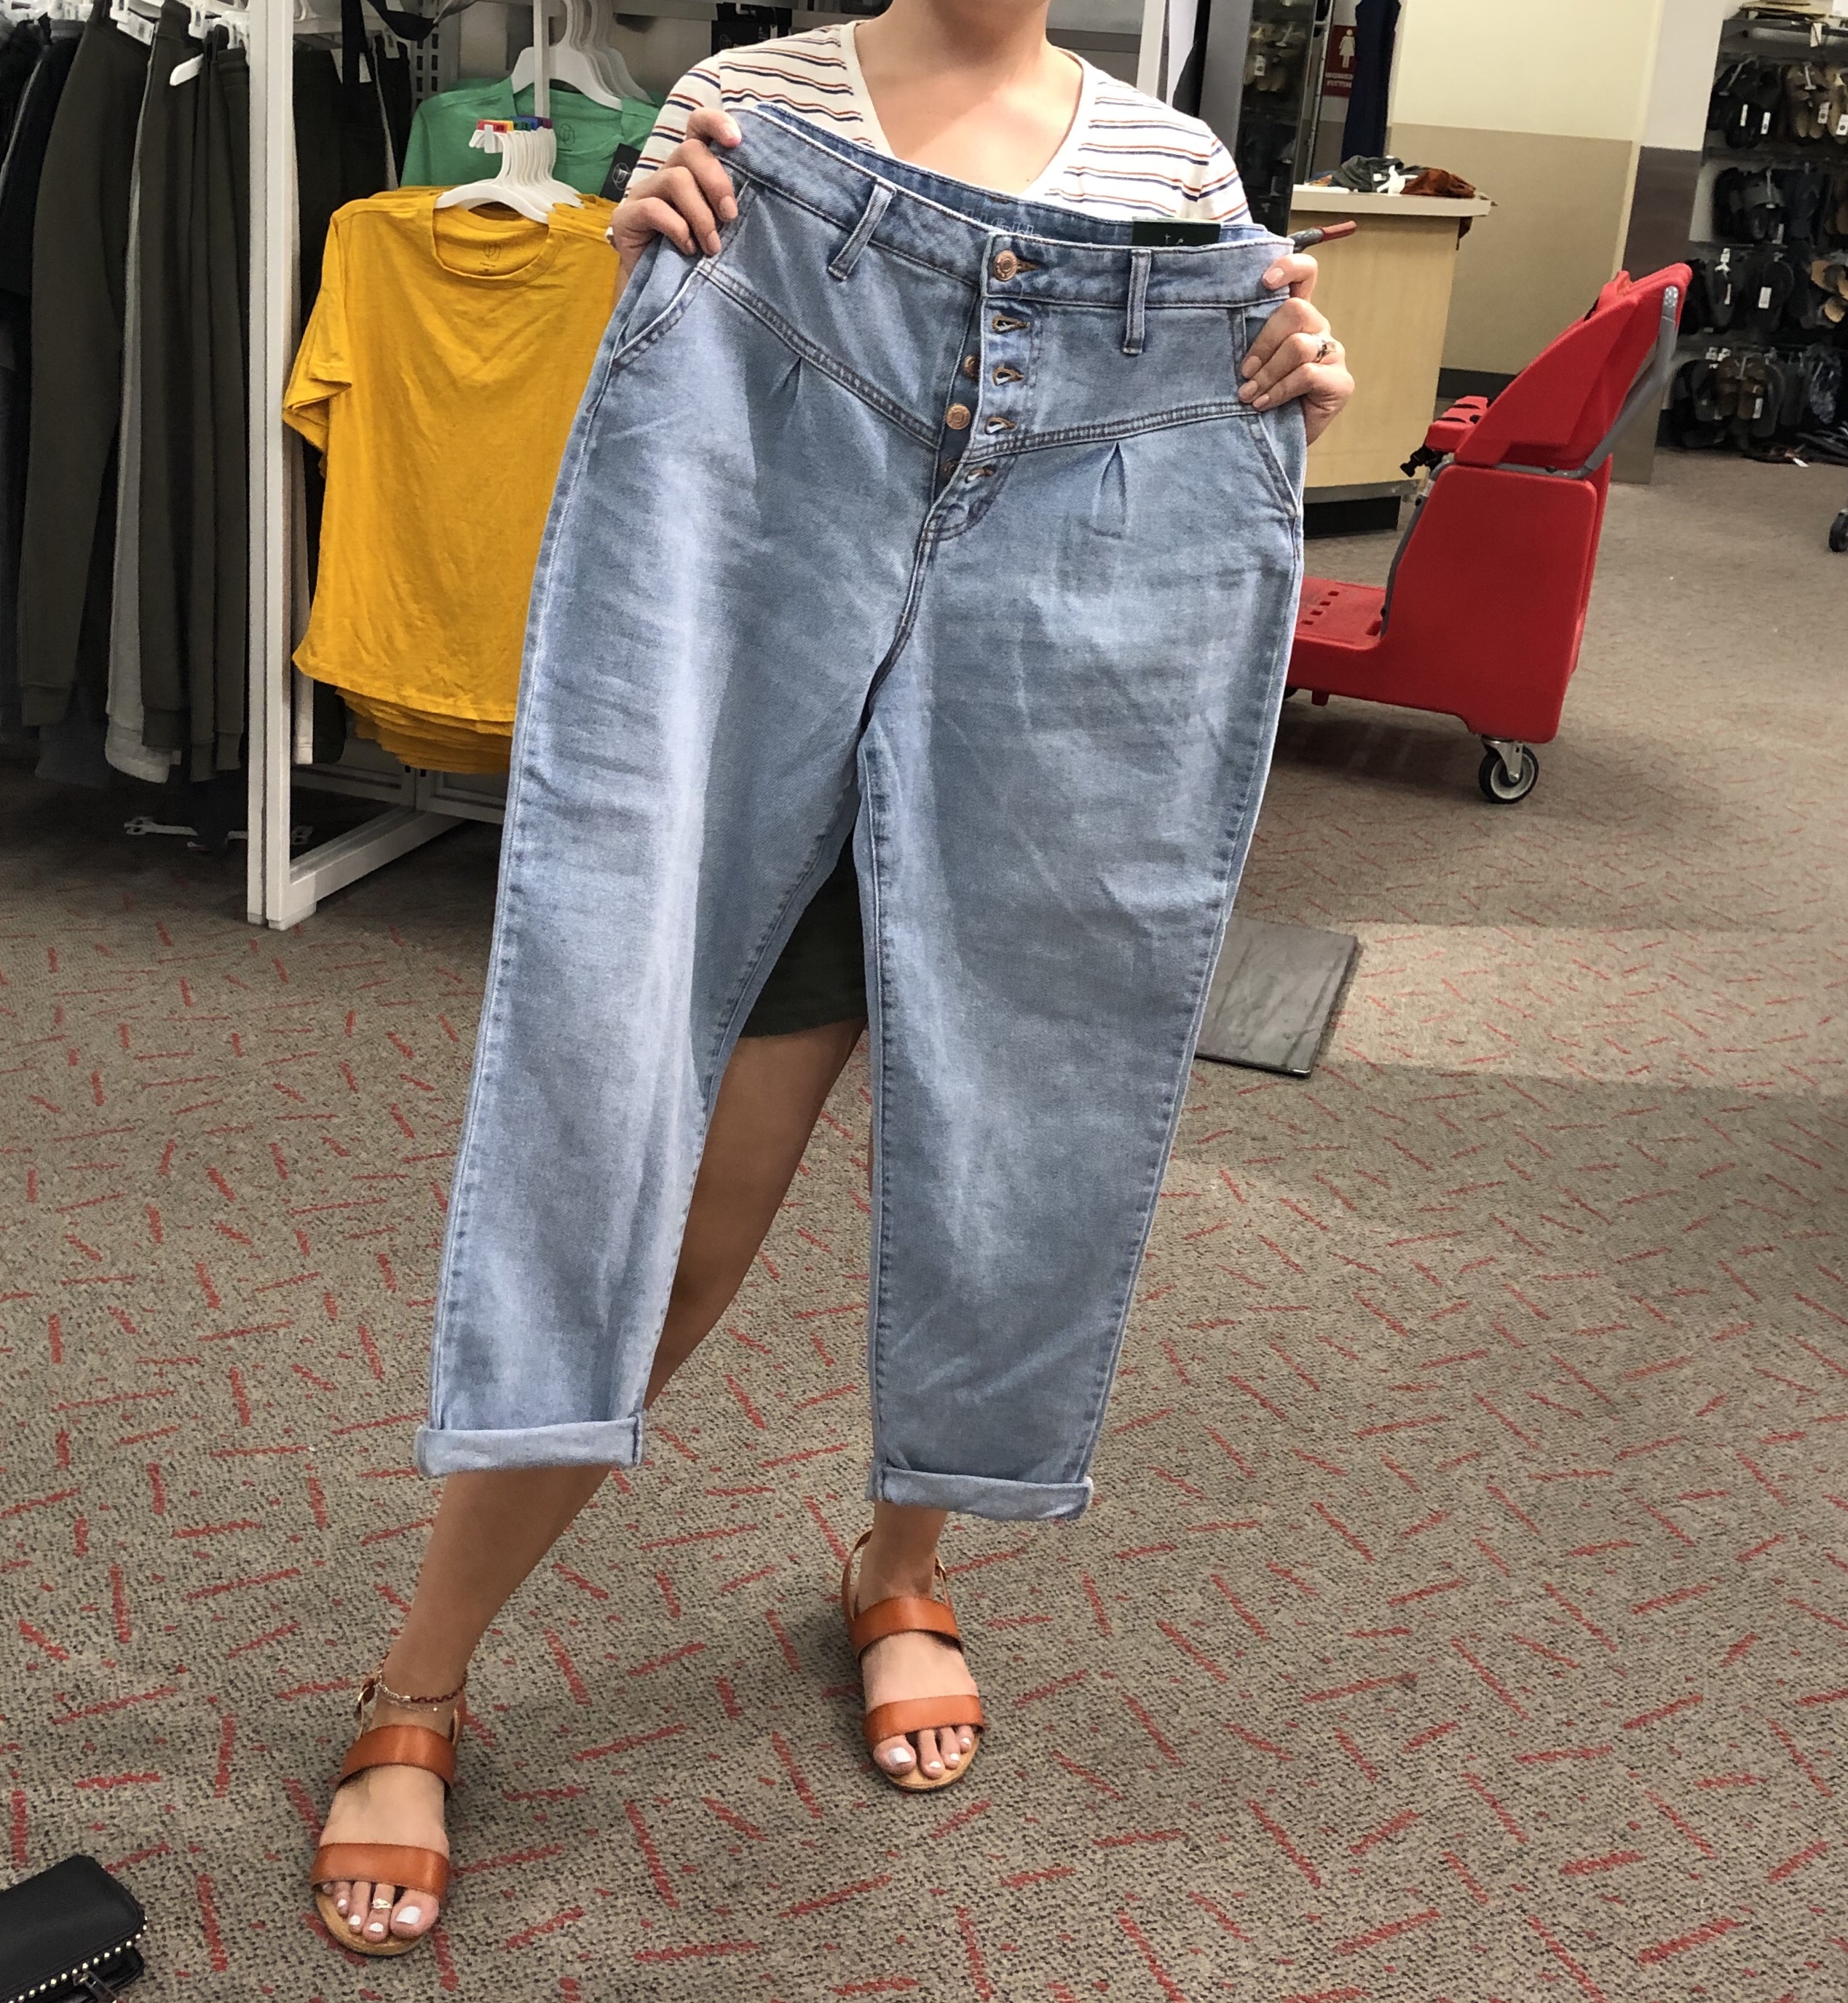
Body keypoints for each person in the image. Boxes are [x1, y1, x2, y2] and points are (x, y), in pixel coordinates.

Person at [309, 0, 1354, 1956]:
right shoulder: (752, 99)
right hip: (780, 460)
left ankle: (898, 1567)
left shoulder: (1176, 163)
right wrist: (650, 249)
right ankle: (419, 1670)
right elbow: (644, 411)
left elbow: (1258, 382)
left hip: (1085, 571)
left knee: (1010, 1098)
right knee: (670, 1187)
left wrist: (1289, 378)